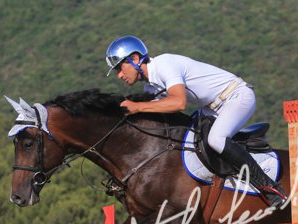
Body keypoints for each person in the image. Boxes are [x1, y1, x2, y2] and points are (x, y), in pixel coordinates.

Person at [105, 35, 287, 209]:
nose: (119, 75)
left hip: (236, 96)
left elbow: (179, 102)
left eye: (120, 68)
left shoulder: (164, 64)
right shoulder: (150, 87)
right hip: (211, 108)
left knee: (216, 139)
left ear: (135, 59)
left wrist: (138, 107)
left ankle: (269, 187)